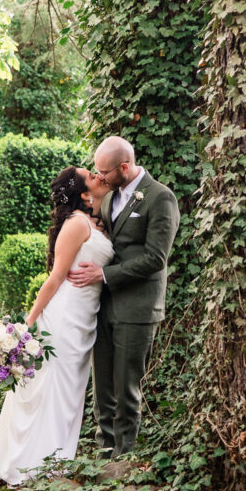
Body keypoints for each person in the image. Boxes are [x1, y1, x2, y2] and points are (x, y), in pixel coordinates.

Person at [0, 166, 113, 485]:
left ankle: (54, 462)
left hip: (86, 317)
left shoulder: (100, 219)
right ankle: (36, 470)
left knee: (71, 392)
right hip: (65, 317)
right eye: (92, 176)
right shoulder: (76, 224)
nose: (99, 176)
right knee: (54, 390)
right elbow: (54, 279)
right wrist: (25, 327)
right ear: (84, 194)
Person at [68, 136, 180, 458]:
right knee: (102, 384)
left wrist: (104, 275)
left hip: (138, 307)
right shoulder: (107, 197)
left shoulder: (160, 198)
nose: (98, 176)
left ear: (124, 167)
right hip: (103, 306)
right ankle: (105, 452)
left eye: (103, 172)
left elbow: (156, 258)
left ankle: (123, 457)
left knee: (126, 387)